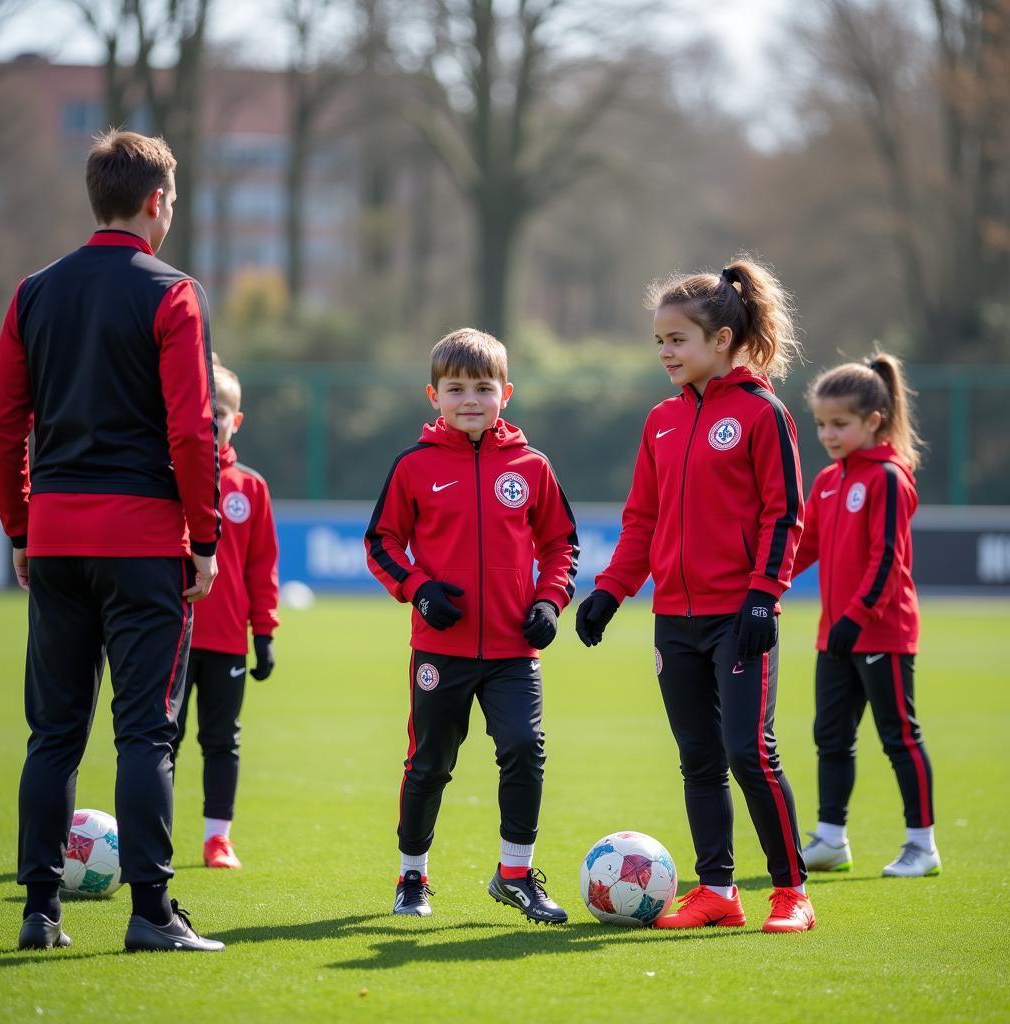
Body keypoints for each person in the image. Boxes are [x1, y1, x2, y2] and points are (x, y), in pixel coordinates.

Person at [0, 129, 224, 953]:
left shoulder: (31, 293)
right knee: (144, 734)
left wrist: (20, 525)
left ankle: (39, 913)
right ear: (157, 202)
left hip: (53, 538)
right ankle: (153, 914)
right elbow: (194, 432)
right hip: (143, 541)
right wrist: (204, 537)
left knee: (53, 733)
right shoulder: (174, 293)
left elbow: (0, 423)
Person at [575, 259, 815, 933]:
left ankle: (791, 891)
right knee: (700, 758)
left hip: (737, 617)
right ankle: (718, 892)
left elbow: (783, 513)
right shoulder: (660, 421)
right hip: (672, 623)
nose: (665, 353)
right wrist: (610, 593)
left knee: (749, 750)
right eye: (659, 341)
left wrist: (765, 596)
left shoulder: (761, 412)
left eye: (677, 340)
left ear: (722, 340)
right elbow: (641, 521)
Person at [364, 327, 579, 922]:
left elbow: (561, 543)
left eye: (483, 387)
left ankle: (515, 874)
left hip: (514, 650)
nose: (470, 400)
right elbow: (381, 543)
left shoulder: (532, 466)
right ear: (432, 395)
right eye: (455, 388)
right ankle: (412, 877)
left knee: (523, 748)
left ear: (505, 393)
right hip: (440, 651)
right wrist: (420, 590)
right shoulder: (413, 465)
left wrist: (548, 603)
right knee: (430, 763)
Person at [794, 353, 939, 878]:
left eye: (840, 424)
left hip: (882, 631)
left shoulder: (888, 480)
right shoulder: (829, 480)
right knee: (830, 736)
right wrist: (766, 583)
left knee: (899, 736)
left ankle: (922, 845)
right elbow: (805, 546)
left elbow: (886, 560)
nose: (828, 434)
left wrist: (856, 616)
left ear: (872, 421)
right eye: (821, 424)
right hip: (835, 635)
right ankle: (831, 838)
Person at [171, 355, 279, 871]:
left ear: (235, 421)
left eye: (222, 412)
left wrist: (265, 634)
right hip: (170, 634)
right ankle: (155, 835)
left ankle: (218, 839)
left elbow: (263, 567)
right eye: (204, 411)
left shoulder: (251, 488)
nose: (212, 419)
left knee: (221, 741)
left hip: (227, 639)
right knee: (159, 737)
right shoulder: (164, 478)